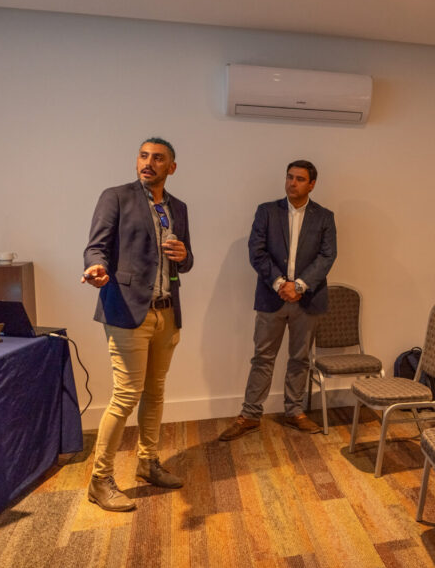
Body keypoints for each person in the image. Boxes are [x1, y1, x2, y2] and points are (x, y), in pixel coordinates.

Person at [82, 137, 194, 512]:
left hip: (167, 311)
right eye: (144, 156)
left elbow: (186, 260)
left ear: (171, 167)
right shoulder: (116, 197)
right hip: (128, 312)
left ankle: (148, 462)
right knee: (127, 394)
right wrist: (96, 267)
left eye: (158, 158)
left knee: (155, 392)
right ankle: (100, 480)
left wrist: (184, 255)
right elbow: (96, 246)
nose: (148, 162)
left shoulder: (178, 207)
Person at [220, 160, 337, 441]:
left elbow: (327, 256)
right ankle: (250, 415)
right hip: (271, 297)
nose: (292, 183)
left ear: (312, 184)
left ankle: (294, 412)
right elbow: (256, 251)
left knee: (300, 359)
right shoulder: (267, 211)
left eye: (299, 179)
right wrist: (280, 284)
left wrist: (299, 286)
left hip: (307, 300)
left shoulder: (324, 217)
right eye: (289, 177)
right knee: (262, 357)